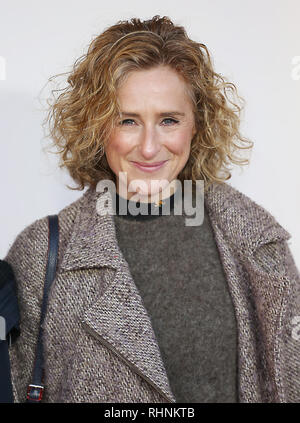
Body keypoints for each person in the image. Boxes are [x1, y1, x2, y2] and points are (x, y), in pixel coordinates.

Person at [3, 15, 300, 403]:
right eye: (127, 120)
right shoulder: (40, 253)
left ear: (197, 124)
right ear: (96, 127)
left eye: (169, 120)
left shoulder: (259, 245)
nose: (148, 147)